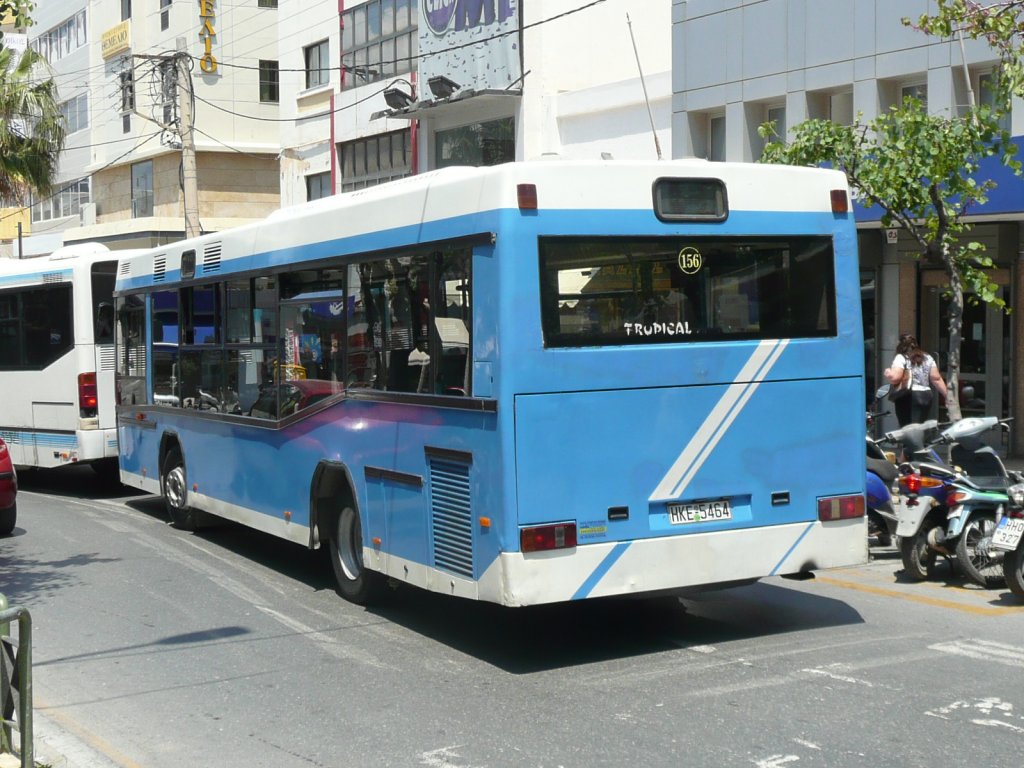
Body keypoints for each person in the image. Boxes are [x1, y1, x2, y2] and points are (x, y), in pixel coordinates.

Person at [884, 332, 948, 426]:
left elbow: (895, 378)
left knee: (907, 429)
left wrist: (888, 372)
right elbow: (936, 378)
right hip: (926, 395)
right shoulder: (927, 357)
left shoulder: (901, 357)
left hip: (909, 396)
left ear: (900, 345)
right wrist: (947, 396)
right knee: (919, 428)